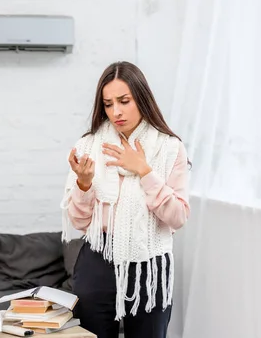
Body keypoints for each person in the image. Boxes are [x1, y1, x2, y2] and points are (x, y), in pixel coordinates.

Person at [60, 61, 190, 338]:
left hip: (149, 263)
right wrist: (83, 184)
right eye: (108, 104)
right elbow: (80, 222)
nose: (116, 112)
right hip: (98, 258)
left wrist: (144, 170)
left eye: (124, 101)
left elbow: (178, 217)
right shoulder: (88, 145)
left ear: (141, 98)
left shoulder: (169, 148)